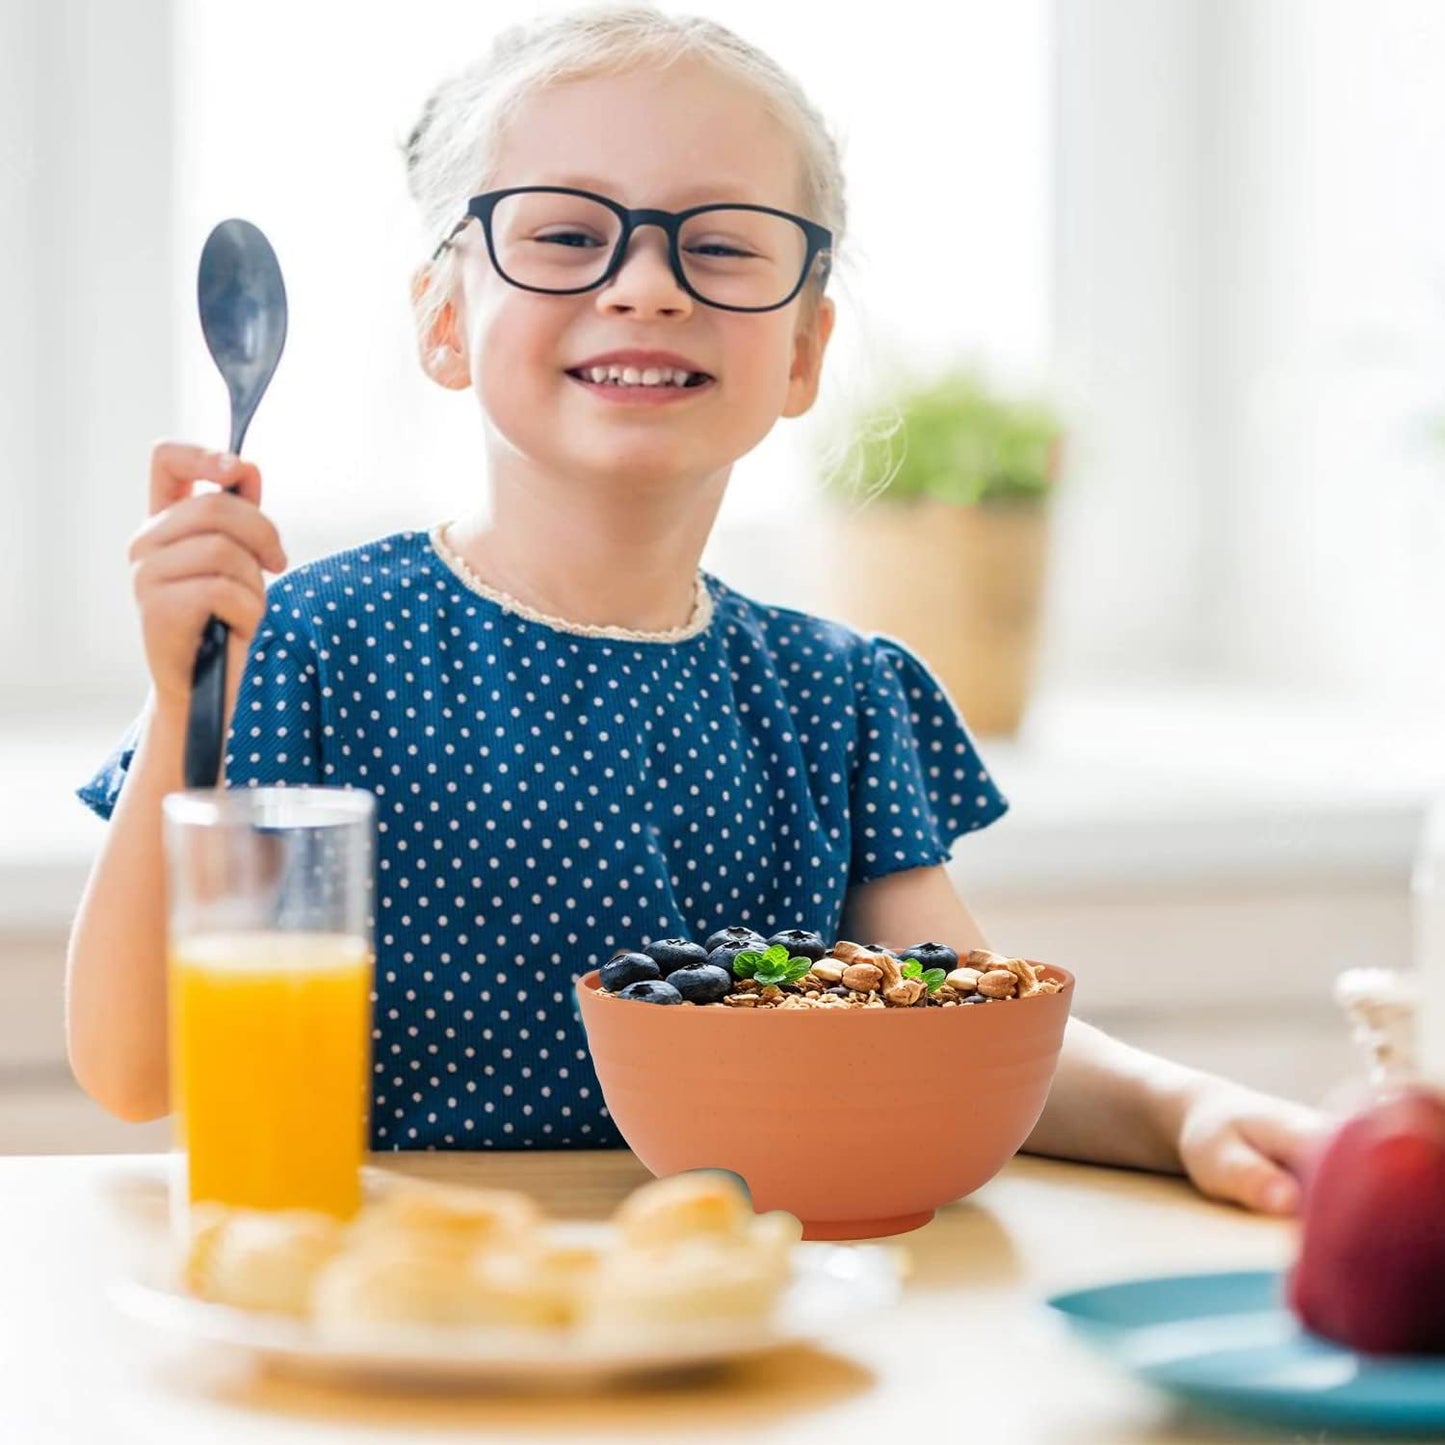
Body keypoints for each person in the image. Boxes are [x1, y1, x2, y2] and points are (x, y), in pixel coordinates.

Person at [67, 2, 1327, 1209]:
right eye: (565, 236)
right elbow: (135, 1072)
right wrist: (182, 688)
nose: (645, 285)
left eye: (717, 244)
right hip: (398, 1314)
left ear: (801, 351)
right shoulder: (305, 646)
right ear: (444, 321)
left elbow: (961, 1038)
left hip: (734, 1311)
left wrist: (1181, 1111)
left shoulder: (835, 695)